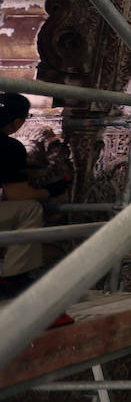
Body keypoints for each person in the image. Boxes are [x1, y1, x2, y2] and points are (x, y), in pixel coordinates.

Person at [0, 93, 70, 299]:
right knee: (30, 208)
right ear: (18, 122)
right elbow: (18, 194)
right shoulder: (8, 147)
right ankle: (13, 278)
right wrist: (52, 189)